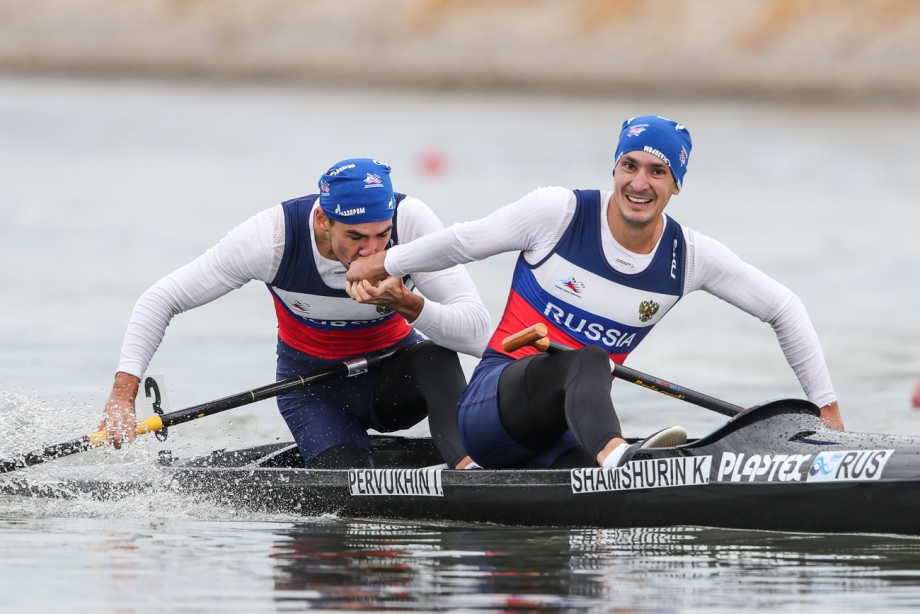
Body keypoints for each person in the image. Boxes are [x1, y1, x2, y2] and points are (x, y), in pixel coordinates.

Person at [346, 116, 844, 470]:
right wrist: (384, 262)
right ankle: (621, 457)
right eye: (629, 166)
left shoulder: (690, 257)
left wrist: (826, 411)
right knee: (588, 359)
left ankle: (616, 457)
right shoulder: (558, 213)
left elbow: (784, 308)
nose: (639, 182)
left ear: (676, 185)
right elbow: (463, 242)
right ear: (614, 171)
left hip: (563, 431)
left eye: (657, 171)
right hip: (491, 411)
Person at [100, 158, 490, 469]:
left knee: (436, 354)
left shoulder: (412, 221)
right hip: (314, 390)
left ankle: (471, 469)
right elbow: (161, 298)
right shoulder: (269, 239)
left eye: (382, 235)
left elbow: (475, 334)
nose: (372, 250)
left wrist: (409, 303)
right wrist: (122, 396)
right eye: (355, 237)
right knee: (349, 505)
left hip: (396, 376)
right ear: (323, 220)